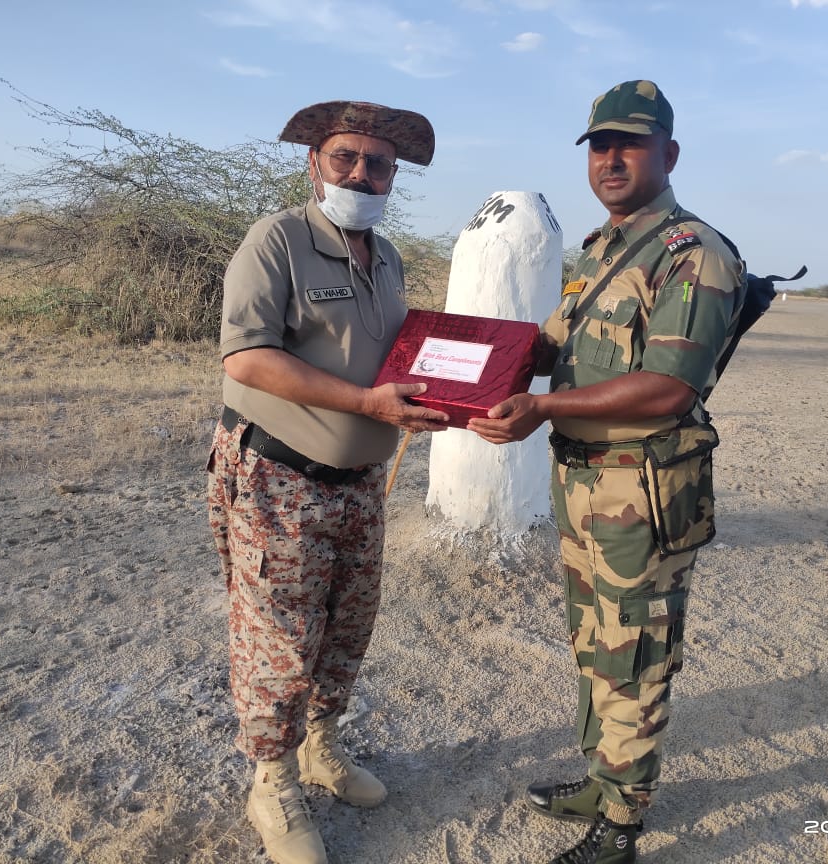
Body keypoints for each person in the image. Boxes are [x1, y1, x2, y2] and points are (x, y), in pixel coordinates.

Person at [468, 80, 746, 864]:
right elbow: (545, 348)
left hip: (642, 488)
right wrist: (458, 366)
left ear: (669, 153)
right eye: (599, 144)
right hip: (583, 484)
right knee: (593, 641)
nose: (612, 158)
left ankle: (623, 825)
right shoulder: (599, 251)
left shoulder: (693, 253)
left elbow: (668, 387)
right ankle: (602, 779)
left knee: (635, 654)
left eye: (630, 142)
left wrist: (542, 411)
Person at [206, 100, 449, 864]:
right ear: (315, 163)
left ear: (393, 178)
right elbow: (246, 359)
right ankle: (271, 781)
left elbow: (388, 359)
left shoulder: (388, 256)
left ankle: (321, 747)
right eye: (345, 157)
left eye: (378, 164)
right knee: (279, 635)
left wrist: (432, 394)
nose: (361, 173)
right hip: (279, 474)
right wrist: (367, 403)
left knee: (347, 627)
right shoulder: (276, 240)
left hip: (358, 484)